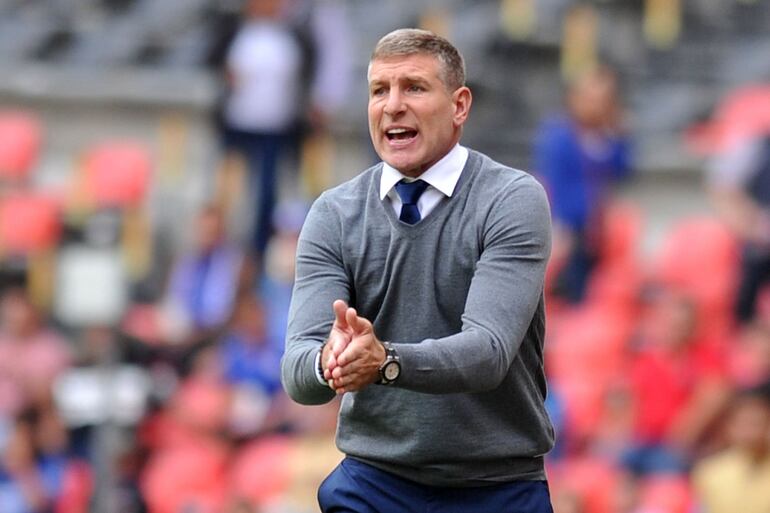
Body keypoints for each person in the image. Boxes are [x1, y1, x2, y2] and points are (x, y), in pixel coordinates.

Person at [281, 28, 554, 513]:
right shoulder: (334, 213)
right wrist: (333, 360)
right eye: (379, 90)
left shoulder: (511, 199)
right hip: (374, 483)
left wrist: (384, 361)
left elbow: (486, 354)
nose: (392, 105)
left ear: (460, 106)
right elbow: (298, 373)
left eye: (415, 87)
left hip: (497, 487)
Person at [534, 65, 632, 304]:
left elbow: (622, 171)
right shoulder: (558, 136)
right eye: (590, 98)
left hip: (599, 229)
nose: (595, 105)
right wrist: (557, 225)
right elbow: (552, 180)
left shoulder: (609, 136)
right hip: (568, 228)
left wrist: (621, 137)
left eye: (603, 100)